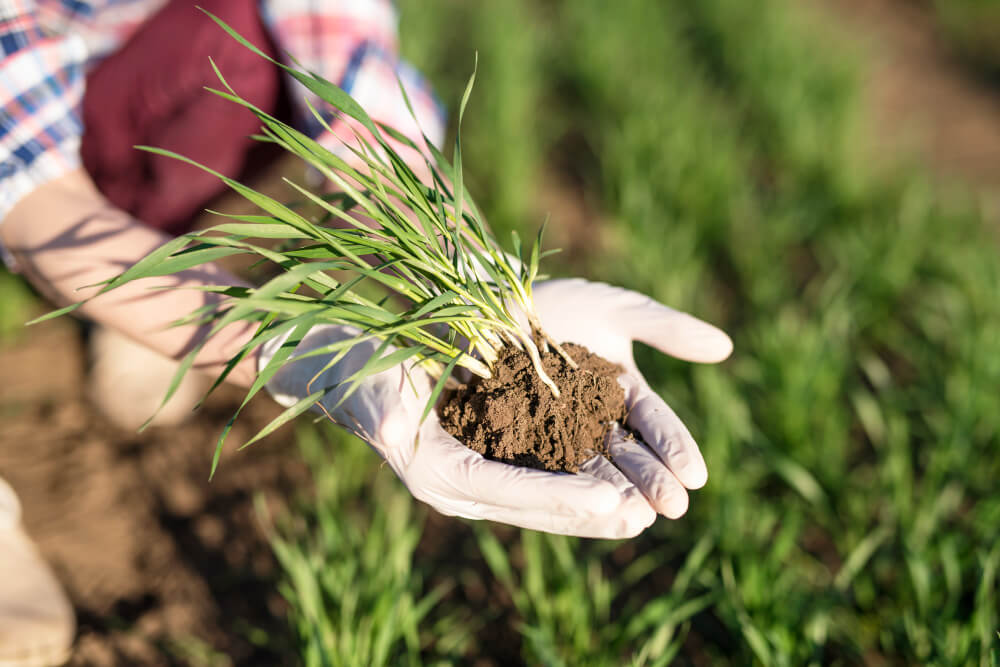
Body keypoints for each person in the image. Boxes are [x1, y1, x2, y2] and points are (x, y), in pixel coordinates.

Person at [0, 0, 733, 663]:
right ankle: (133, 303)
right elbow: (29, 184)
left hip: (123, 85)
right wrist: (283, 340)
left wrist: (460, 265)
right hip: (30, 116)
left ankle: (157, 274)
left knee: (233, 42)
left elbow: (338, 42)